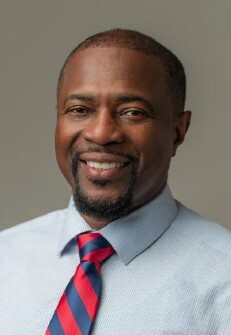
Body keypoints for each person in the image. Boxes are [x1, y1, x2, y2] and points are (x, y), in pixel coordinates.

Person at [0, 29, 231, 335]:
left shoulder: (223, 280)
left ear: (178, 130)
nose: (101, 133)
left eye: (132, 112)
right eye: (80, 110)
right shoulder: (6, 256)